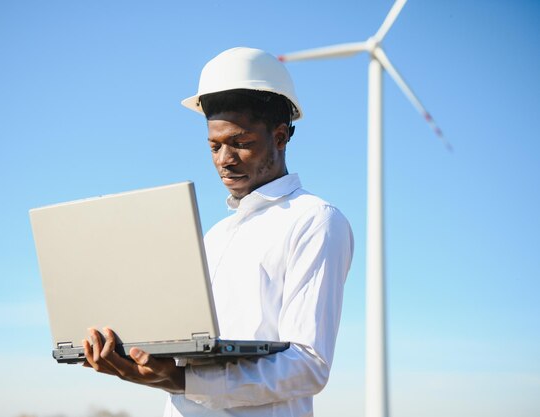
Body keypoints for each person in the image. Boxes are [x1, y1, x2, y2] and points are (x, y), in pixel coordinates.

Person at [82, 47, 354, 417]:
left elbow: (307, 366)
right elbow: (187, 350)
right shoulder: (217, 235)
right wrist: (133, 354)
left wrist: (182, 381)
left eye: (241, 143)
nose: (224, 160)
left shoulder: (314, 220)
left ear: (280, 137)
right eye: (215, 145)